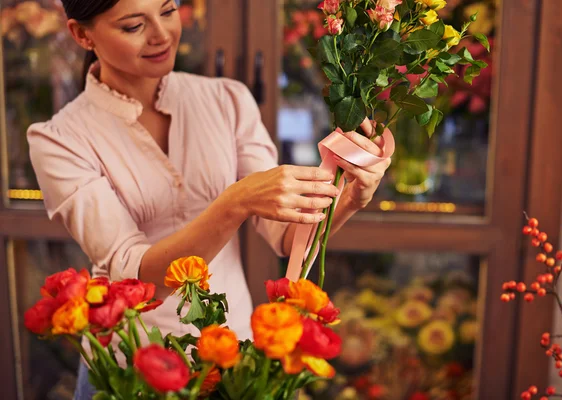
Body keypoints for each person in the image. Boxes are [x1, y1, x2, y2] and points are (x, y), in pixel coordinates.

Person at [27, 0, 391, 398]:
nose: (161, 34)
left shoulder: (227, 99)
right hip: (130, 369)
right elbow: (135, 274)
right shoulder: (58, 140)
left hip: (230, 358)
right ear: (82, 34)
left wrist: (350, 197)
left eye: (167, 11)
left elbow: (286, 236)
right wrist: (234, 202)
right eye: (133, 25)